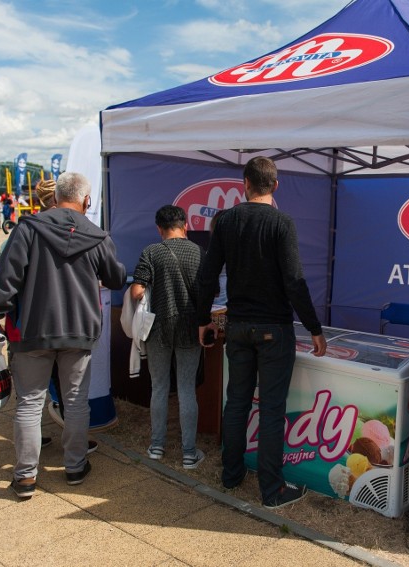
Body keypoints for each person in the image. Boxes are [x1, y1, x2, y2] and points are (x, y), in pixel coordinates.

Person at [0, 172, 126, 499]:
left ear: (56, 196)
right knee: (75, 402)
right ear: (87, 201)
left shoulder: (28, 229)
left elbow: (6, 280)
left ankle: (25, 478)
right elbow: (116, 277)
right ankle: (75, 466)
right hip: (79, 332)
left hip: (32, 331)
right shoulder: (97, 235)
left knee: (30, 403)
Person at [197, 156, 327, 509]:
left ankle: (231, 475)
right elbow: (294, 282)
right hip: (273, 330)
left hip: (238, 328)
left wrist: (203, 319)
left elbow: (207, 274)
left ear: (245, 184)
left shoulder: (227, 221)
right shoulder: (282, 222)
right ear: (276, 185)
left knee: (236, 402)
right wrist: (314, 328)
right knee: (271, 410)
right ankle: (272, 490)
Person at [129, 205, 205, 469]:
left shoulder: (151, 252)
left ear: (159, 229)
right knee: (186, 390)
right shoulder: (198, 252)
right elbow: (210, 292)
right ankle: (189, 452)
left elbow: (136, 291)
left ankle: (157, 446)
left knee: (159, 387)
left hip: (158, 330)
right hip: (190, 329)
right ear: (185, 225)